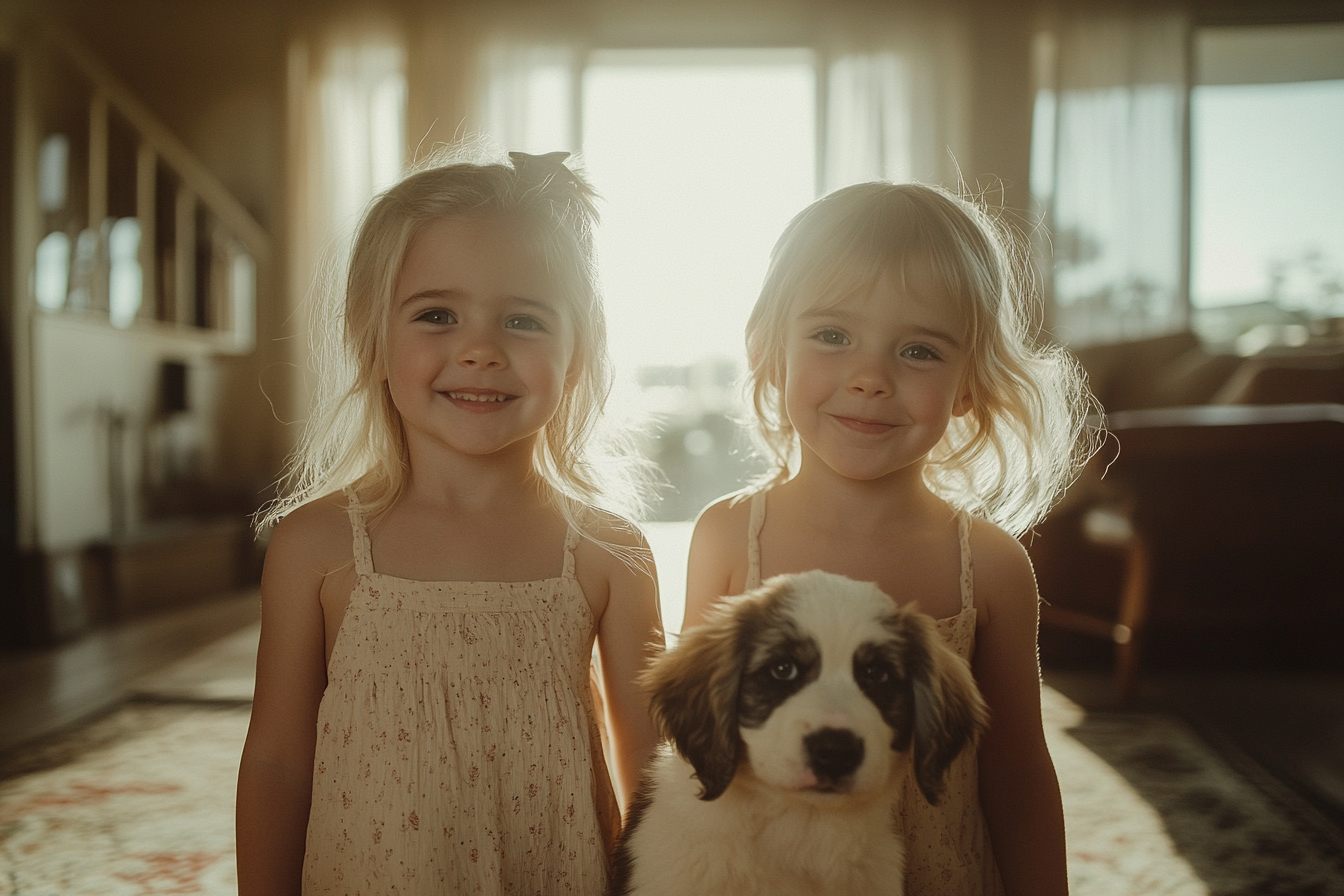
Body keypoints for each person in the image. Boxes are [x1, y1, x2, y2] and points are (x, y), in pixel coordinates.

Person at [236, 147, 663, 895]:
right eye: (437, 315)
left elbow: (655, 767)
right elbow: (276, 761)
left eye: (523, 320)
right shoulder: (319, 546)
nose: (479, 350)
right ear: (373, 342)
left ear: (577, 358)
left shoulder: (606, 552)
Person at [683, 182, 1096, 896]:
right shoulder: (729, 535)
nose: (871, 378)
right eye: (833, 336)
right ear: (767, 352)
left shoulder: (990, 566)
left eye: (919, 350)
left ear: (969, 383)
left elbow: (1020, 772)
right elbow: (694, 748)